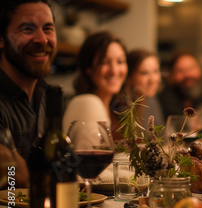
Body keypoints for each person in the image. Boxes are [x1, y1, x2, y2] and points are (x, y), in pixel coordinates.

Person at [0, 0, 57, 187]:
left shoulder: (47, 94)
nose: (42, 39)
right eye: (27, 29)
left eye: (48, 29)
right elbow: (14, 173)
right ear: (1, 39)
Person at [63, 31, 128, 135]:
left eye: (120, 61)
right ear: (88, 68)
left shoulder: (114, 109)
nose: (114, 71)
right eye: (105, 62)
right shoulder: (88, 103)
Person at [157, 50, 202, 119]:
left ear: (199, 69)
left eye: (191, 68)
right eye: (180, 70)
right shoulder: (165, 100)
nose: (188, 74)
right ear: (171, 76)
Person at [113, 49, 164, 137]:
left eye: (155, 71)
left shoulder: (151, 101)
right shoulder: (119, 105)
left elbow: (162, 139)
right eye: (144, 73)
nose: (152, 80)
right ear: (129, 76)